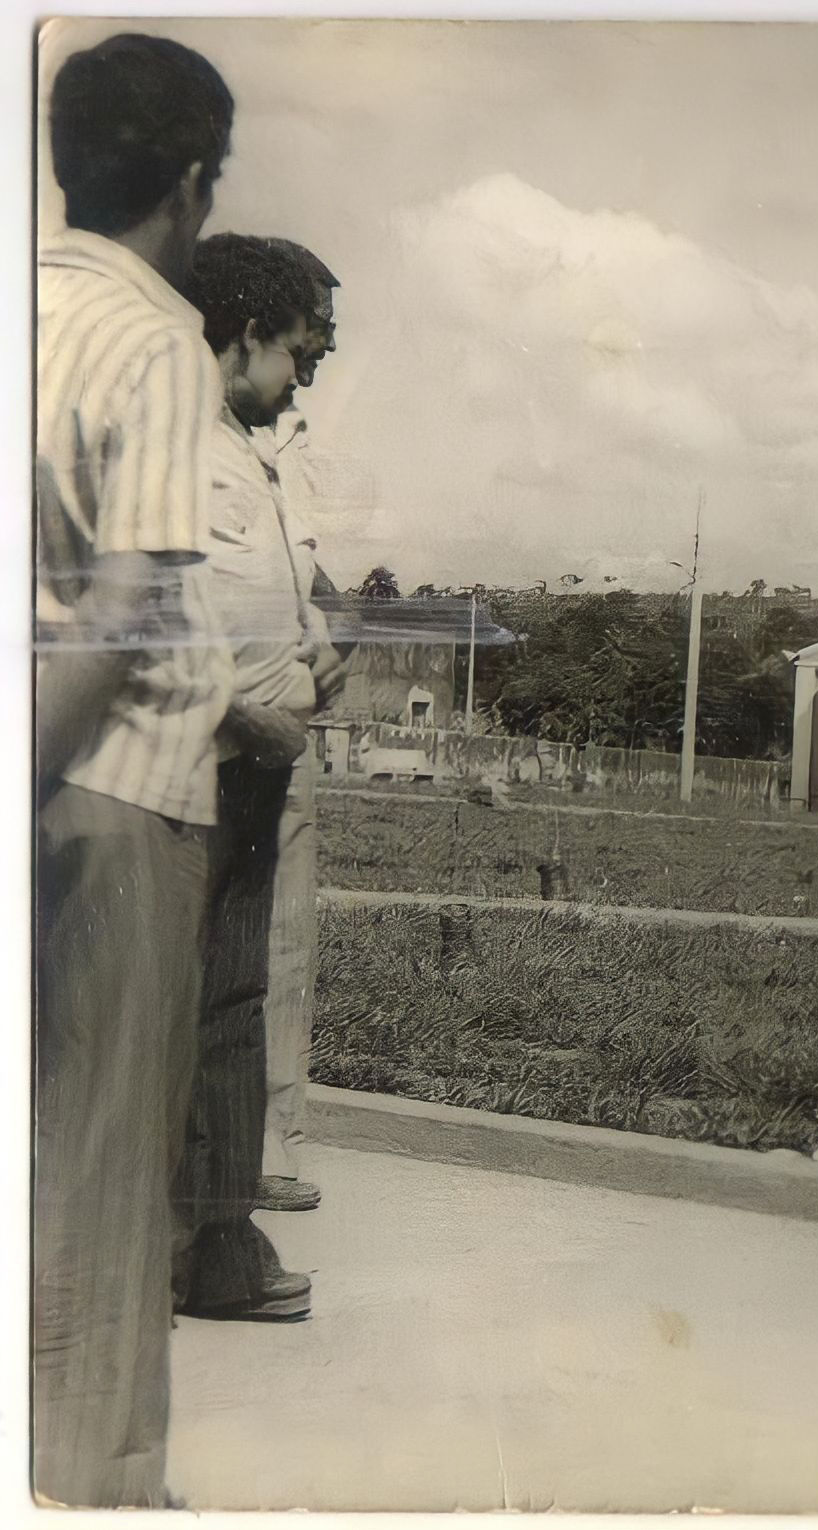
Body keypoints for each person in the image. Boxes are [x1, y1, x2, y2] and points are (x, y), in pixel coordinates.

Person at [34, 33, 236, 1508]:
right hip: (112, 785)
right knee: (99, 1180)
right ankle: (94, 1484)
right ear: (189, 180)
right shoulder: (158, 335)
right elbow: (128, 607)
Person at [172, 234, 343, 1323]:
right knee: (160, 1007)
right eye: (297, 350)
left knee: (230, 1006)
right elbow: (126, 630)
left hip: (251, 775)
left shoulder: (250, 450)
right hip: (181, 772)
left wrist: (315, 652)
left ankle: (218, 1243)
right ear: (241, 336)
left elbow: (271, 595)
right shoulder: (166, 452)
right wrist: (242, 711)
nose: (306, 374)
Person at [256, 239, 344, 1214]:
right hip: (223, 714)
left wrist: (333, 638)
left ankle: (274, 1135)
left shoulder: (296, 440)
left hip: (291, 712)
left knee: (285, 939)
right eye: (315, 331)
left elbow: (305, 569)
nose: (323, 353)